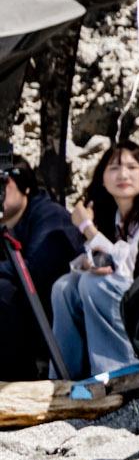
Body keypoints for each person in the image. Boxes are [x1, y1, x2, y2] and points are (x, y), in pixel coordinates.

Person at [50, 139, 139, 377]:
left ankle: (117, 372)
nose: (123, 175)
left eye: (132, 167)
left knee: (93, 283)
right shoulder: (111, 215)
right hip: (123, 296)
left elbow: (131, 266)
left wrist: (87, 228)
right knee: (64, 287)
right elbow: (103, 261)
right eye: (114, 168)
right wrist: (90, 262)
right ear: (102, 178)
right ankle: (65, 376)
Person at [0, 150, 86, 379]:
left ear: (25, 186)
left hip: (58, 320)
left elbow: (33, 271)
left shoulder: (49, 215)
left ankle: (17, 378)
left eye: (3, 183)